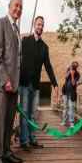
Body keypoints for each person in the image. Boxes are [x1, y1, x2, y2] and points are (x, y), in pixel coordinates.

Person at [0, 0, 23, 163]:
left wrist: (15, 81)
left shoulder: (17, 30)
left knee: (9, 121)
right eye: (16, 5)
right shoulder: (0, 24)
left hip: (14, 84)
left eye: (20, 6)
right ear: (9, 6)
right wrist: (5, 80)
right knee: (0, 121)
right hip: (3, 84)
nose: (18, 8)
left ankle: (7, 152)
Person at [19, 16, 59, 152]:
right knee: (24, 113)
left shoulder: (44, 47)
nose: (40, 27)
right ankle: (23, 141)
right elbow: (17, 59)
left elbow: (48, 66)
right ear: (34, 25)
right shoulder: (25, 41)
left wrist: (55, 84)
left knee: (32, 114)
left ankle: (32, 139)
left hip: (35, 85)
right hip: (23, 83)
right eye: (38, 24)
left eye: (42, 25)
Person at [60, 61, 80, 128]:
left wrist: (72, 75)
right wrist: (69, 72)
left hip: (72, 93)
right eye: (73, 65)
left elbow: (74, 83)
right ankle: (64, 121)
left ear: (76, 67)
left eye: (75, 66)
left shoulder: (77, 74)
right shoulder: (68, 70)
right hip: (65, 91)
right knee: (65, 106)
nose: (73, 67)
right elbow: (65, 77)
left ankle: (71, 123)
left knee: (71, 107)